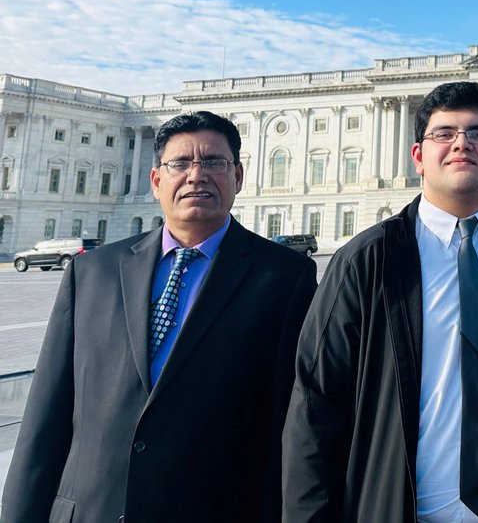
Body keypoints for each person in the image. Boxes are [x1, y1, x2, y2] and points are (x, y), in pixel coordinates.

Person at [1, 111, 316, 523]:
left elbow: (289, 422)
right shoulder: (92, 271)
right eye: (180, 163)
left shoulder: (285, 277)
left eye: (214, 162)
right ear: (156, 181)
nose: (197, 175)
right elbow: (47, 416)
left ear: (238, 177)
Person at [283, 81, 478, 522]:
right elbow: (315, 405)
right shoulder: (366, 260)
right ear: (418, 156)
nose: (462, 144)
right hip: (398, 508)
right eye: (444, 134)